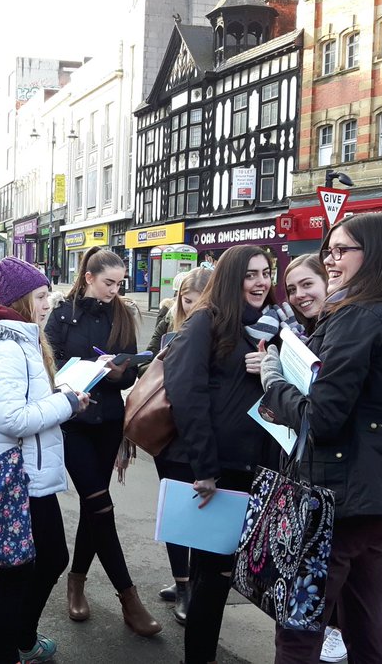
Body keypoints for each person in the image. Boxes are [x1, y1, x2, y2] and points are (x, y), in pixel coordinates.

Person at [262, 214, 382, 664]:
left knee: (300, 626)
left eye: (342, 250)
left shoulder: (355, 316)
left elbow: (321, 418)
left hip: (339, 496)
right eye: (329, 250)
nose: (331, 260)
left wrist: (273, 380)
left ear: (374, 254)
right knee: (364, 616)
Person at [0, 256, 91, 664]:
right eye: (41, 296)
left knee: (47, 559)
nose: (48, 304)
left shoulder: (21, 339)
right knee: (19, 572)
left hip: (29, 472)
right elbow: (10, 419)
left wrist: (59, 394)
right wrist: (66, 403)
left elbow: (21, 402)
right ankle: (15, 650)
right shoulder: (7, 347)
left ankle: (22, 641)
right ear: (23, 300)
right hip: (17, 474)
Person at [163, 245, 284, 664]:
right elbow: (187, 396)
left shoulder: (273, 329)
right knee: (212, 575)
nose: (261, 282)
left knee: (225, 572)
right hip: (221, 469)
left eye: (266, 273)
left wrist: (272, 367)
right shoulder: (206, 322)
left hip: (258, 466)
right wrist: (206, 468)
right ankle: (198, 657)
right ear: (233, 278)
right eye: (251, 274)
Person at [43, 246, 160, 637]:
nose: (114, 290)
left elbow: (130, 374)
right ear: (89, 277)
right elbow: (49, 363)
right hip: (73, 420)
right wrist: (75, 378)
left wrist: (116, 375)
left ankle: (76, 580)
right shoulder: (61, 313)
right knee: (100, 504)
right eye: (108, 282)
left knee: (98, 508)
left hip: (109, 420)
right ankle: (129, 597)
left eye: (119, 283)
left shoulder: (123, 312)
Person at [280, 254, 347, 664]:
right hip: (310, 461)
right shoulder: (308, 332)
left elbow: (324, 410)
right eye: (291, 289)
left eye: (307, 285)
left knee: (330, 566)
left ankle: (333, 632)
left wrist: (273, 380)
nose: (300, 295)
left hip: (334, 470)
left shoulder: (340, 329)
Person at [143, 266, 212, 623]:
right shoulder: (170, 321)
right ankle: (181, 583)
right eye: (187, 300)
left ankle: (198, 586)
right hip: (167, 432)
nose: (193, 306)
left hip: (198, 433)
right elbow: (148, 362)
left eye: (200, 300)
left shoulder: (219, 328)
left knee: (198, 512)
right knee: (174, 512)